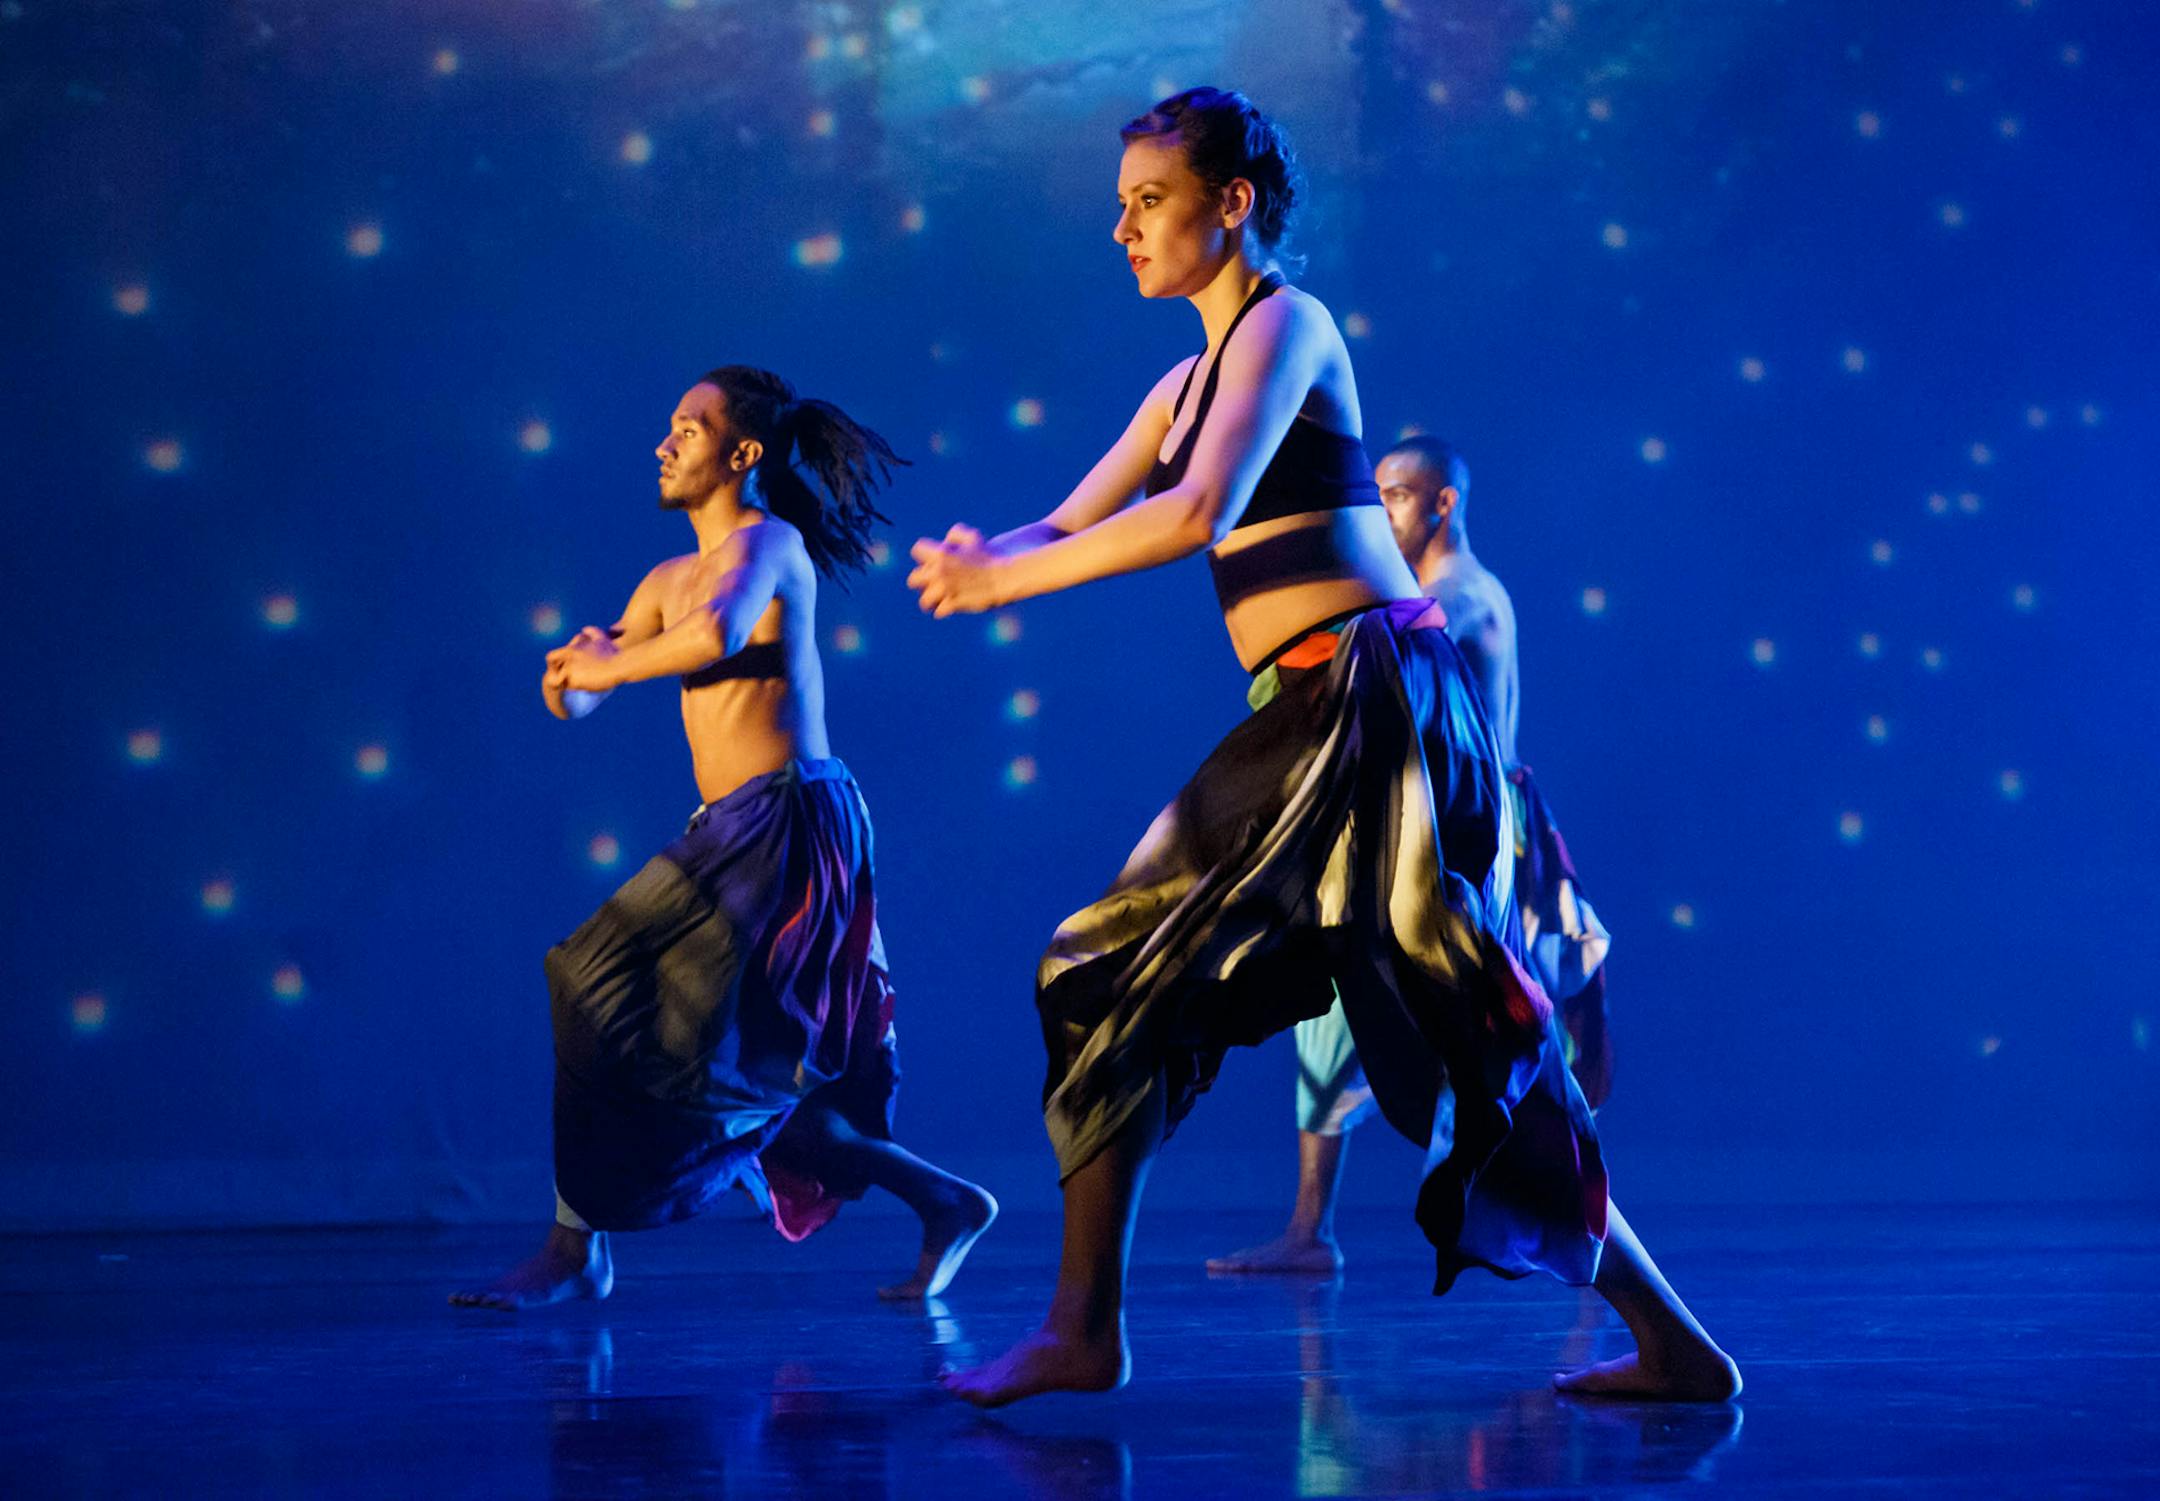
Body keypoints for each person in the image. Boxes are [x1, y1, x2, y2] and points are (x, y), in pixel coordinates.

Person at [906, 88, 1736, 1405]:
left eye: (1150, 202)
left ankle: (1085, 1329)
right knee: (1114, 974)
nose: (1121, 228)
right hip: (1312, 713)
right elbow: (1067, 519)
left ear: (1232, 205)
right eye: (1119, 205)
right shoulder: (1182, 381)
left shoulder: (1290, 325)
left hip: (1374, 705)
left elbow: (1198, 512)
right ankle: (1085, 1327)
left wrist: (1008, 588)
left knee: (1433, 1039)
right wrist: (982, 556)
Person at [451, 366, 996, 1312]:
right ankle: (943, 1196)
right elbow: (592, 687)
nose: (666, 442)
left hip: (789, 821)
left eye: (688, 428)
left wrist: (615, 664)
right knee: (673, 1038)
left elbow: (712, 636)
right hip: (732, 829)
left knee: (662, 1029)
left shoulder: (767, 546)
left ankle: (574, 1247)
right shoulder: (665, 578)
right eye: (668, 426)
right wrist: (572, 676)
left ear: (742, 454)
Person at [1209, 435, 1614, 1277]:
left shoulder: (1462, 594)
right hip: (1406, 840)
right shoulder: (1417, 595)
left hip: (1473, 842)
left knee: (1509, 1033)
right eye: (1377, 494)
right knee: (1327, 1025)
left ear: (1443, 503)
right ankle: (1310, 1230)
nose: (1381, 510)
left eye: (1396, 494)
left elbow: (1410, 647)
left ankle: (1583, 1213)